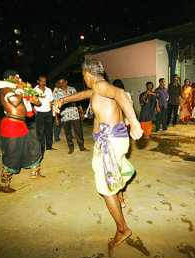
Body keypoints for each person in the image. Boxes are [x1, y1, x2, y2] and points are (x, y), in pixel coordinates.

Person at [54, 58, 143, 247]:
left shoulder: (102, 86)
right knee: (112, 172)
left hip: (109, 143)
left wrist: (134, 122)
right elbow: (83, 94)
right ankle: (119, 193)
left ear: (87, 73)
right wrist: (63, 99)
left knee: (105, 189)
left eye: (83, 76)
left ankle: (122, 230)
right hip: (114, 140)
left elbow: (120, 93)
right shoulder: (99, 87)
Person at [0, 71, 45, 193]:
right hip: (11, 125)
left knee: (35, 145)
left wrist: (30, 91)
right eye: (17, 77)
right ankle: (3, 185)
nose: (20, 79)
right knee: (11, 154)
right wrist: (20, 89)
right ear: (10, 78)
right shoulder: (6, 89)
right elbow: (14, 102)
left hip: (21, 125)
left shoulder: (19, 89)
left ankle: (35, 172)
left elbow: (37, 102)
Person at [54, 76, 89, 154]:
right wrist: (56, 118)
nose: (61, 85)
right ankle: (71, 148)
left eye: (63, 83)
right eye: (60, 83)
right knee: (68, 133)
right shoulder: (57, 93)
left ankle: (82, 147)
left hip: (75, 114)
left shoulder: (72, 89)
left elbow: (78, 101)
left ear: (66, 82)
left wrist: (82, 112)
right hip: (64, 115)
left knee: (79, 132)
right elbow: (56, 106)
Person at [33, 75, 55, 153]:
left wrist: (50, 108)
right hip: (39, 113)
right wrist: (33, 109)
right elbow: (28, 100)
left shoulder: (49, 90)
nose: (43, 83)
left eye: (45, 81)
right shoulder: (34, 90)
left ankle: (49, 146)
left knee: (49, 130)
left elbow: (51, 100)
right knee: (40, 131)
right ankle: (41, 149)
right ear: (38, 81)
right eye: (41, 81)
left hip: (48, 112)